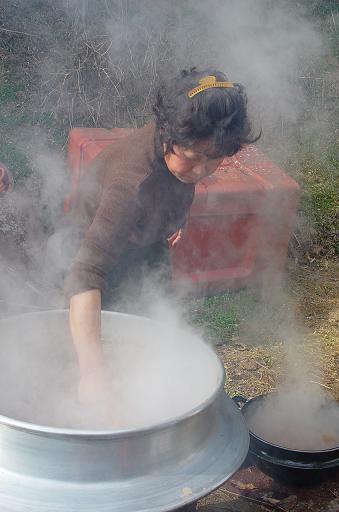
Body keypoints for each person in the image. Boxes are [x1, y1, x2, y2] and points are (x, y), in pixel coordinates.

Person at [64, 68, 258, 405]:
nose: (201, 171)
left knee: (149, 334)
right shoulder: (130, 184)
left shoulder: (188, 132)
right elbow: (85, 276)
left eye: (214, 160)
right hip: (91, 252)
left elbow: (180, 182)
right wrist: (92, 375)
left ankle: (141, 396)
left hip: (144, 245)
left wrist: (173, 220)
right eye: (194, 158)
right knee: (87, 354)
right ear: (168, 136)